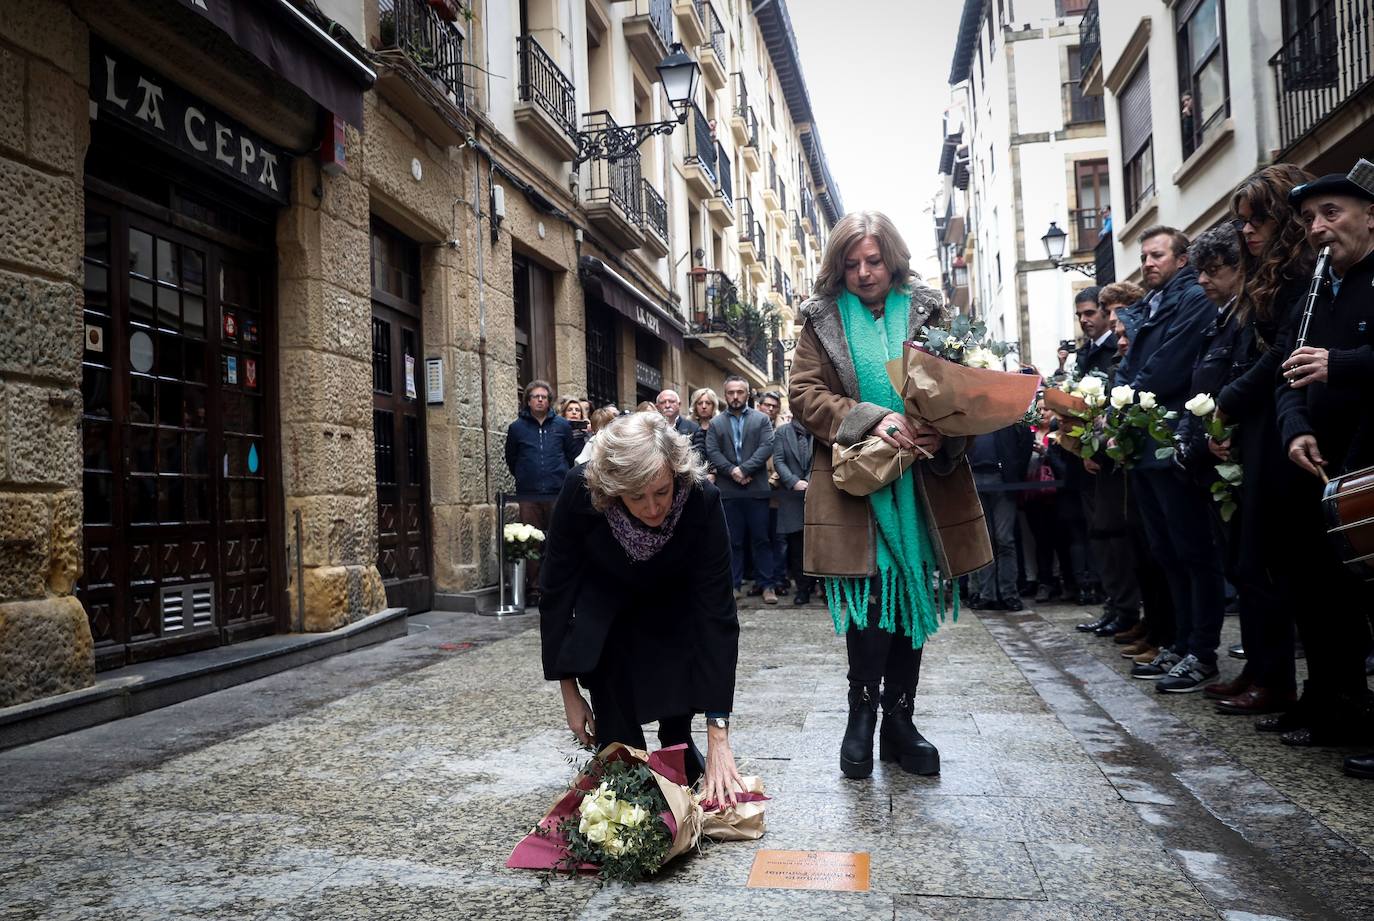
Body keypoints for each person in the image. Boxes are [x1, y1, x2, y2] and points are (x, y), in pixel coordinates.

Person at [789, 211, 987, 779]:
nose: (863, 272)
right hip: (855, 486)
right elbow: (803, 395)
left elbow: (961, 389)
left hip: (922, 484)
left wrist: (942, 430)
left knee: (912, 597)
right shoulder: (821, 320)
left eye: (873, 261)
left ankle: (900, 722)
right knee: (872, 602)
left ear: (893, 259)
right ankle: (862, 718)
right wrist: (870, 417)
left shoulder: (929, 312)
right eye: (851, 263)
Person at [537, 412, 745, 804]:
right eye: (636, 497)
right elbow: (556, 591)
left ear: (676, 473)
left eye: (662, 492)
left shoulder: (701, 498)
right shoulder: (581, 490)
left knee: (678, 735)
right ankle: (625, 767)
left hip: (675, 609)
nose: (652, 508)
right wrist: (568, 691)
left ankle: (678, 744)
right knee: (622, 767)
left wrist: (719, 733)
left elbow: (717, 613)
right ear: (613, 489)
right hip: (607, 617)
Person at [1198, 165, 1314, 716]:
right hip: (1257, 427)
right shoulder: (1267, 277)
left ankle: (1279, 681)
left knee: (1274, 565)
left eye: (1257, 220)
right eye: (1242, 221)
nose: (1247, 231)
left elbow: (1280, 355)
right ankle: (1264, 672)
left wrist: (1229, 401)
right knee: (1251, 562)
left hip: (1281, 426)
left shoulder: (1301, 276)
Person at [1273, 165, 1374, 773]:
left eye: (1331, 213)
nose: (1317, 228)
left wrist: (1342, 364)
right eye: (1310, 218)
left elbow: (1337, 363)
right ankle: (1342, 708)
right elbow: (1289, 376)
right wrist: (1296, 428)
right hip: (1321, 466)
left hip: (1368, 463)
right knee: (1323, 596)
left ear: (1370, 215)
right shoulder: (1316, 290)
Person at [1117, 227, 1227, 693]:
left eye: (1157, 255)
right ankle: (1181, 644)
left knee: (1192, 552)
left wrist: (1126, 395)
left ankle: (1201, 651)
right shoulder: (1150, 304)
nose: (1147, 263)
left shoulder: (1193, 298)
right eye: (1144, 256)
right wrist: (1122, 394)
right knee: (1166, 553)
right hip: (1146, 441)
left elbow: (1169, 364)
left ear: (1182, 260)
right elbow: (1129, 364)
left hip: (1173, 440)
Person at [704, 376, 780, 604]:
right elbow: (712, 450)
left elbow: (767, 446)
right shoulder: (716, 423)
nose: (735, 396)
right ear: (725, 395)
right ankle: (734, 585)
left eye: (740, 392)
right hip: (728, 491)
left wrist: (744, 469)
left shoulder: (761, 420)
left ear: (748, 394)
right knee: (732, 541)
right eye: (731, 392)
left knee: (761, 539)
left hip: (756, 489)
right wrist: (732, 471)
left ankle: (767, 586)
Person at [505, 380, 579, 602]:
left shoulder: (562, 426)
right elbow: (511, 458)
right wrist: (524, 475)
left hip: (557, 492)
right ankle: (535, 588)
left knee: (558, 539)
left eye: (544, 397)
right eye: (535, 396)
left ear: (549, 401)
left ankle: (558, 584)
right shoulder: (516, 428)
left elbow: (570, 455)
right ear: (528, 400)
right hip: (529, 494)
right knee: (532, 541)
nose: (540, 400)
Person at [968, 424, 1033, 612]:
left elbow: (1025, 440)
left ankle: (1009, 593)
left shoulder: (1006, 414)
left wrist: (1015, 473)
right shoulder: (971, 415)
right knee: (984, 541)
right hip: (974, 478)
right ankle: (986, 594)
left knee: (1005, 539)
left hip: (1003, 480)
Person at [773, 414, 816, 605]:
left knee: (818, 546)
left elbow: (821, 459)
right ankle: (802, 589)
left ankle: (821, 588)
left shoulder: (818, 429)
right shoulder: (782, 432)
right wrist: (793, 481)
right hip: (791, 496)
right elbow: (778, 460)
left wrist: (808, 481)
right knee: (796, 547)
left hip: (816, 495)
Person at [756, 391, 791, 596]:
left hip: (777, 493)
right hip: (754, 490)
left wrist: (773, 481)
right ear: (759, 406)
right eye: (766, 405)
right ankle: (763, 580)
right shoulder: (753, 425)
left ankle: (779, 579)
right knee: (760, 538)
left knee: (779, 539)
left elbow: (784, 459)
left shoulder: (782, 429)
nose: (770, 408)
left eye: (774, 406)